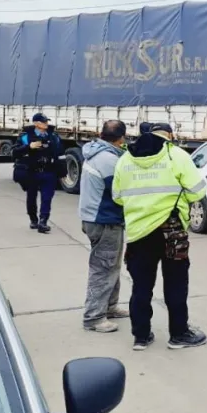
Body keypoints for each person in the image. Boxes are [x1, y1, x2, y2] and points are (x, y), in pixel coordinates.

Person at [112, 123, 207, 351]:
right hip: (171, 231)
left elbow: (117, 197)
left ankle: (141, 337)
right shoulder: (176, 156)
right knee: (176, 284)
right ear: (169, 136)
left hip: (138, 233)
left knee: (141, 287)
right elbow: (198, 191)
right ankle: (178, 335)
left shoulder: (125, 159)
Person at [78, 120, 130, 334]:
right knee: (103, 268)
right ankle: (94, 317)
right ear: (121, 138)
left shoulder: (96, 152)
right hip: (104, 220)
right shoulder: (108, 159)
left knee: (112, 265)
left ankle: (109, 306)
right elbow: (119, 192)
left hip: (96, 218)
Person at [12, 113, 63, 233]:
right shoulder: (25, 137)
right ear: (36, 124)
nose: (46, 124)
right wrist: (29, 146)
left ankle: (43, 221)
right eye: (43, 122)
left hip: (48, 171)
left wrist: (61, 171)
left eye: (46, 121)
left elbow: (60, 153)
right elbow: (14, 152)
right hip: (31, 172)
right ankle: (33, 219)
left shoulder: (53, 136)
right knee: (31, 197)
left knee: (47, 198)